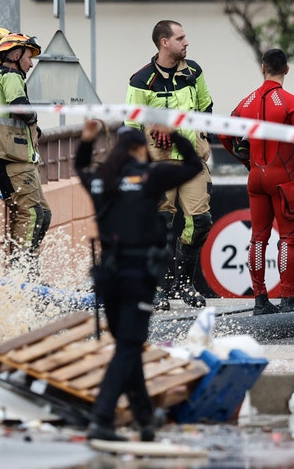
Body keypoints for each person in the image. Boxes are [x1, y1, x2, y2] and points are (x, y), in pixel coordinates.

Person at [76, 121, 202, 442]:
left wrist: (87, 141)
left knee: (127, 345)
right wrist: (174, 134)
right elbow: (193, 165)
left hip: (108, 277)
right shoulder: (149, 176)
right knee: (129, 346)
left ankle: (145, 417)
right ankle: (101, 418)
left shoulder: (102, 180)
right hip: (137, 276)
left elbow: (79, 167)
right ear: (139, 149)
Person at [219, 49, 294, 315]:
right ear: (287, 69)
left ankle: (260, 300)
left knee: (258, 238)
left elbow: (224, 135)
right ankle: (287, 299)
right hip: (284, 178)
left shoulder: (247, 101)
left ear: (263, 68)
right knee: (288, 240)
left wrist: (245, 162)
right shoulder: (291, 102)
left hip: (256, 177)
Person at [125, 20, 214, 312]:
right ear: (164, 42)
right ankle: (158, 288)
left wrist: (203, 138)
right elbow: (131, 127)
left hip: (192, 162)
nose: (186, 42)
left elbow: (206, 107)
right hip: (158, 164)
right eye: (180, 38)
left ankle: (184, 284)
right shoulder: (141, 80)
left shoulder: (194, 72)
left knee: (200, 222)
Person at [0, 33, 52, 273]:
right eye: (28, 57)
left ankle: (28, 268)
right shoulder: (11, 76)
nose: (31, 64)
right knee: (31, 214)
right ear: (14, 55)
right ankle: (23, 273)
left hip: (9, 157)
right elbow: (20, 107)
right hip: (14, 158)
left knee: (42, 213)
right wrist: (33, 118)